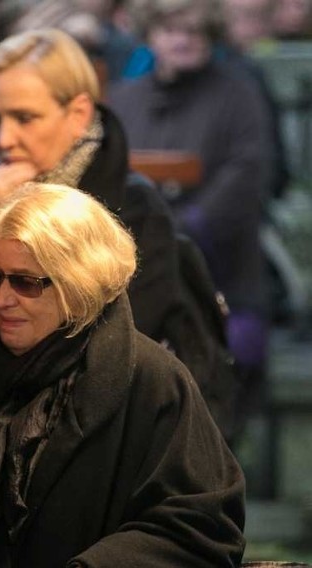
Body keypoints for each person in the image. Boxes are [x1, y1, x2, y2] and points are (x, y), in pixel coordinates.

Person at [0, 182, 246, 567]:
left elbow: (201, 527)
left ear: (78, 284)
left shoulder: (152, 381)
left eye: (25, 282)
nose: (1, 299)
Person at [0, 29, 182, 349]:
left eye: (24, 118)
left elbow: (120, 346)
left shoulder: (136, 207)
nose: (3, 139)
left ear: (78, 115)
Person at [108, 0, 273, 434]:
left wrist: (182, 227)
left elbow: (248, 173)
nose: (182, 39)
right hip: (138, 280)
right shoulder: (124, 101)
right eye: (170, 28)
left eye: (194, 30)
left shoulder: (239, 95)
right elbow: (106, 174)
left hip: (223, 279)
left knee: (214, 419)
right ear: (150, 34)